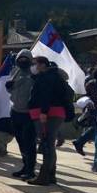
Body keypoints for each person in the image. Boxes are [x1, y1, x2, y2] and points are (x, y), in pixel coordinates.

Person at [27, 56, 71, 185]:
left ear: (42, 65)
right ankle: (51, 174)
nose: (33, 67)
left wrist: (44, 112)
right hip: (55, 112)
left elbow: (45, 95)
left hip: (48, 112)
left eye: (35, 64)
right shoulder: (54, 76)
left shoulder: (46, 77)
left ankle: (44, 176)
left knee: (47, 144)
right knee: (49, 144)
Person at [5, 49, 37, 178]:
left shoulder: (34, 73)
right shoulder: (15, 71)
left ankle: (30, 169)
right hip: (16, 110)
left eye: (25, 59)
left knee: (29, 142)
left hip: (29, 113)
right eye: (20, 59)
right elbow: (11, 89)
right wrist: (9, 86)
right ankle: (25, 165)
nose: (22, 62)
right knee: (20, 141)